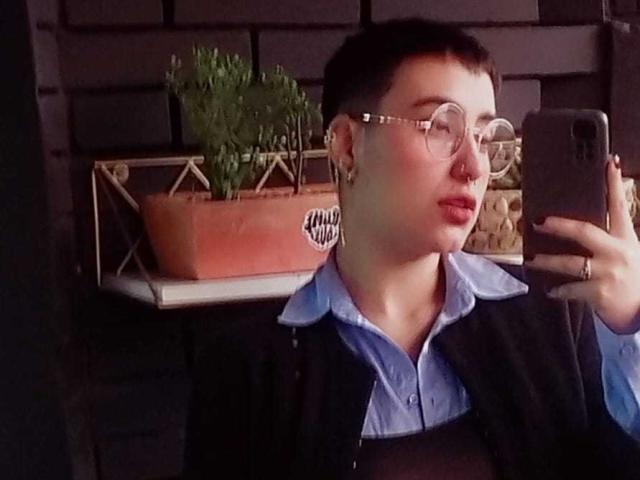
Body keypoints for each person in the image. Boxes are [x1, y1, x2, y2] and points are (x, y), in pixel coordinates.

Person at [183, 19, 640, 480]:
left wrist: (632, 328)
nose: (473, 166)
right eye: (440, 127)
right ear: (346, 145)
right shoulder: (248, 369)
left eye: (483, 137)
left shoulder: (556, 312)